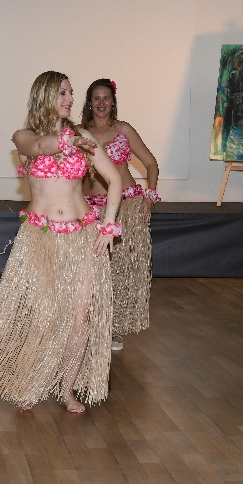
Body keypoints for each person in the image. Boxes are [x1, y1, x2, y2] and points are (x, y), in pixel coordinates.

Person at [0, 71, 123, 414]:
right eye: (62, 93)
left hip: (83, 236)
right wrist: (71, 142)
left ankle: (66, 389)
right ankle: (30, 383)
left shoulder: (83, 136)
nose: (70, 99)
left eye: (70, 93)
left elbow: (114, 179)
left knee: (81, 317)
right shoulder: (23, 136)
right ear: (44, 97)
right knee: (43, 314)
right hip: (40, 238)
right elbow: (40, 148)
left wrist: (108, 225)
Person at [80, 78, 160, 351]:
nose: (101, 103)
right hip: (90, 209)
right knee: (91, 270)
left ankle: (113, 328)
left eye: (106, 98)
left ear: (113, 102)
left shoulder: (123, 130)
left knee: (118, 271)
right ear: (89, 102)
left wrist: (149, 196)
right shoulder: (79, 133)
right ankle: (89, 326)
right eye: (96, 98)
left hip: (124, 207)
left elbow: (150, 164)